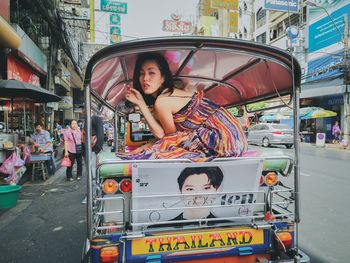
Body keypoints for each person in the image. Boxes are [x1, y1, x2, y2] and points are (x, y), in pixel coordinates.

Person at [116, 52, 247, 162]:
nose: (145, 78)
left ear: (163, 78)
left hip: (225, 139)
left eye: (151, 73)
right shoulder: (171, 95)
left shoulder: (162, 102)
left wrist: (141, 104)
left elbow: (167, 138)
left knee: (157, 151)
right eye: (141, 73)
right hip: (235, 137)